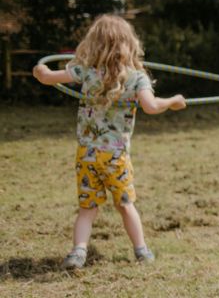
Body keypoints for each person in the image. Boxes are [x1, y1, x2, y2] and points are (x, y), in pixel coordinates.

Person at [32, 14, 186, 270]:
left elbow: (47, 77)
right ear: (129, 44)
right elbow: (150, 106)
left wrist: (40, 70)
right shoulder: (137, 77)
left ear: (94, 43)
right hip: (115, 157)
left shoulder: (86, 72)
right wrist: (173, 101)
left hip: (87, 154)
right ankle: (141, 251)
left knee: (87, 208)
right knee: (125, 205)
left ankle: (78, 252)